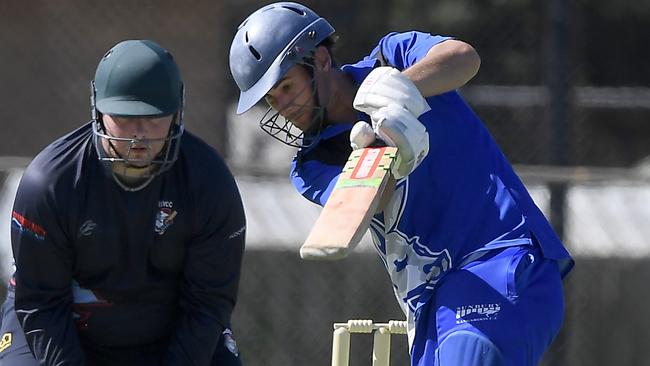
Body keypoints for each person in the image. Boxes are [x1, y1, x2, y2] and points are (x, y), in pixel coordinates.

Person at [229, 2, 574, 366]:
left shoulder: (392, 56)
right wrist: (392, 155)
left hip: (502, 262)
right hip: (431, 309)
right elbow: (372, 203)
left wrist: (401, 89)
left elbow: (463, 57)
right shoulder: (313, 162)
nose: (283, 106)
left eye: (285, 86)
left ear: (320, 59)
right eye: (271, 98)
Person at [0, 40, 246, 366]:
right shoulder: (49, 184)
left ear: (177, 113)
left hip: (168, 337)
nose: (140, 134)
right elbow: (41, 304)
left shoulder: (210, 182)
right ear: (98, 110)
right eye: (125, 117)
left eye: (155, 117)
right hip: (63, 329)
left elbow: (209, 302)